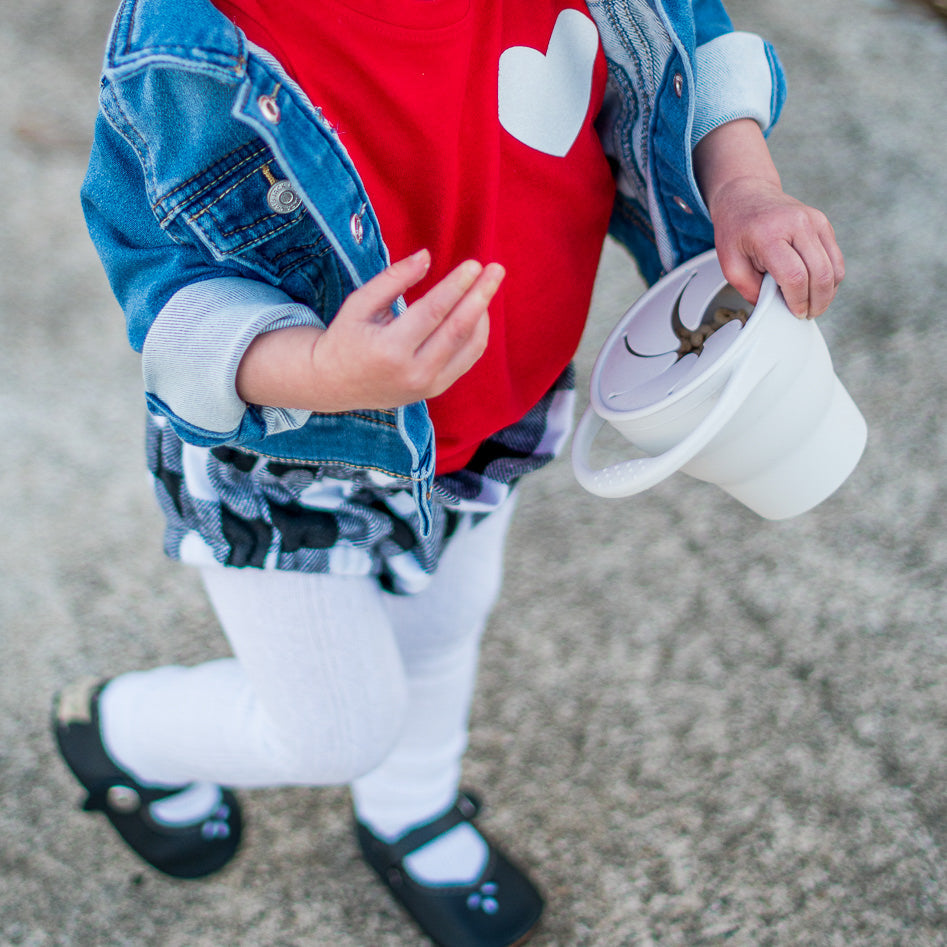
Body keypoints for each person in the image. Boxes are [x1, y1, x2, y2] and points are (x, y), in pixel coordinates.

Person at [53, 0, 844, 943]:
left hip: (492, 410)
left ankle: (410, 807)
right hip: (290, 448)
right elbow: (165, 292)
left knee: (446, 621)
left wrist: (743, 185)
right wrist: (319, 369)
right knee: (335, 726)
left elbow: (688, 41)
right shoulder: (191, 44)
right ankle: (118, 730)